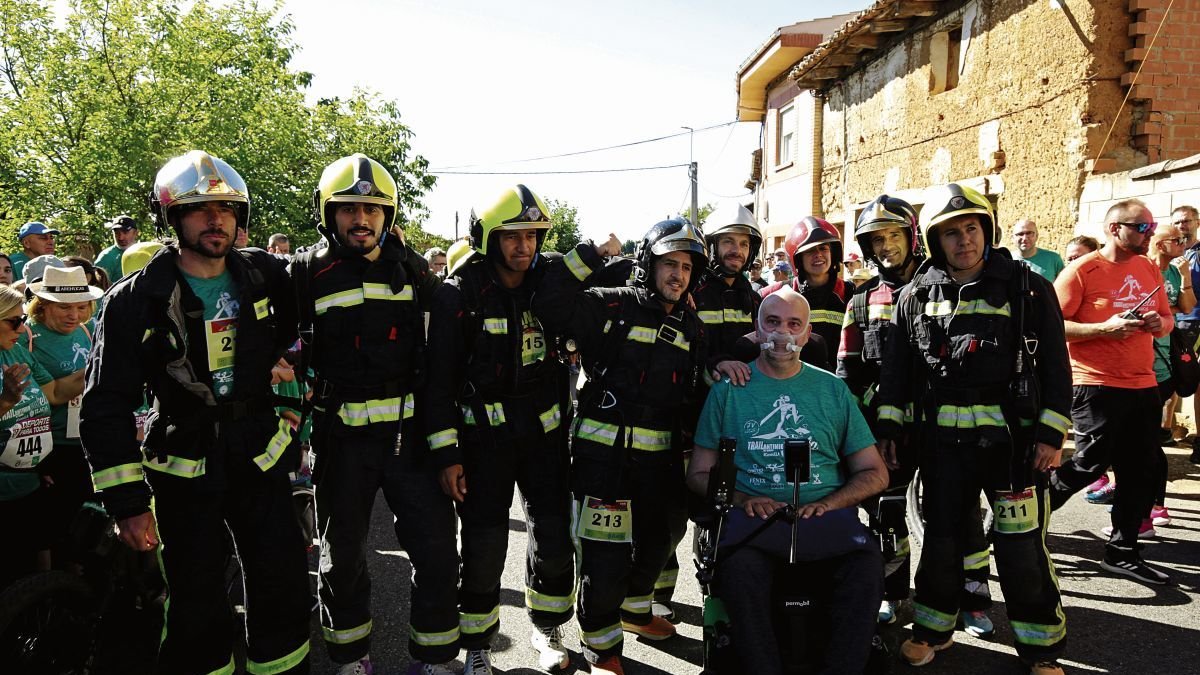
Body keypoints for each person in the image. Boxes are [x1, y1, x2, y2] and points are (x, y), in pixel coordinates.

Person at [80, 150, 311, 675]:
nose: (216, 221)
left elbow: (307, 339)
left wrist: (293, 409)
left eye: (227, 210)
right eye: (200, 210)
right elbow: (105, 405)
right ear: (173, 218)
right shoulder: (135, 299)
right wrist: (127, 504)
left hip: (260, 454)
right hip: (184, 464)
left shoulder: (266, 277)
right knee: (196, 601)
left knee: (281, 586)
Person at [874, 183, 1071, 674]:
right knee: (941, 541)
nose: (964, 240)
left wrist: (1051, 435)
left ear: (987, 230)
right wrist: (891, 432)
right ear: (935, 241)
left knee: (1020, 548)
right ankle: (932, 631)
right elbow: (898, 372)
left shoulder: (1027, 285)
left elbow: (1055, 365)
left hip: (1014, 447)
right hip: (942, 447)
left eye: (972, 228)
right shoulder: (916, 294)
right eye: (951, 233)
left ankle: (1041, 649)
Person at [292, 153, 458, 675]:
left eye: (372, 208)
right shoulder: (304, 273)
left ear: (388, 216)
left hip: (409, 443)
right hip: (341, 443)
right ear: (327, 213)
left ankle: (433, 657)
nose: (360, 219)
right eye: (348, 208)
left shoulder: (410, 271)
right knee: (342, 560)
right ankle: (350, 657)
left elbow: (461, 313)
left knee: (435, 552)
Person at [532, 219, 709, 675]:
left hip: (660, 463)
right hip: (603, 459)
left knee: (663, 537)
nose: (678, 275)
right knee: (605, 562)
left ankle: (634, 611)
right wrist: (590, 254)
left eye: (687, 267)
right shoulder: (611, 305)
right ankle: (602, 651)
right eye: (670, 263)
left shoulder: (689, 322)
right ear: (648, 264)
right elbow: (550, 302)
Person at [687, 287, 887, 675]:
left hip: (826, 518)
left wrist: (833, 502)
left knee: (865, 571)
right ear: (757, 330)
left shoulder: (832, 390)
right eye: (773, 322)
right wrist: (744, 499)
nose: (783, 333)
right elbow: (697, 473)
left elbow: (875, 472)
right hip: (753, 523)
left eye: (794, 324)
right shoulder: (728, 392)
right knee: (741, 574)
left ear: (808, 332)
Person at [425, 185, 575, 675]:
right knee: (485, 548)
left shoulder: (549, 281)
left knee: (553, 536)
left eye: (532, 236)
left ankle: (547, 629)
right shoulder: (458, 292)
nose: (524, 247)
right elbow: (438, 380)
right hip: (483, 443)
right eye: (512, 236)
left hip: (544, 440)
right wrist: (448, 454)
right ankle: (479, 646)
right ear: (487, 238)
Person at [837, 194, 995, 633]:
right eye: (876, 239)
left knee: (960, 513)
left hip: (944, 424)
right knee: (886, 514)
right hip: (887, 432)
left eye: (893, 235)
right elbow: (848, 371)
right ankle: (892, 594)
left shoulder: (947, 285)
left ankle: (974, 598)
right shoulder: (861, 301)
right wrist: (862, 431)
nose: (886, 246)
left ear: (912, 236)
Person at [1049, 198, 1174, 585]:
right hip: (1095, 383)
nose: (1148, 234)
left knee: (1141, 469)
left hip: (1143, 383)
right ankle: (1020, 523)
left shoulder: (1147, 268)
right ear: (1114, 228)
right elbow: (1051, 327)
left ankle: (1122, 550)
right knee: (1089, 464)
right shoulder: (1081, 271)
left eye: (1151, 227)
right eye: (1141, 227)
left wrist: (1157, 323)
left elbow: (1168, 320)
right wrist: (1103, 329)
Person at [26, 266, 102, 562]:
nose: (74, 315)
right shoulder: (28, 338)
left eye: (81, 307)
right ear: (42, 305)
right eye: (65, 308)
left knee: (88, 523)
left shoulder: (89, 328)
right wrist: (96, 370)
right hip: (50, 446)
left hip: (88, 439)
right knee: (52, 526)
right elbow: (52, 393)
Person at [0, 284, 66, 584]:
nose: (22, 327)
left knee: (37, 574)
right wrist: (6, 402)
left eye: (23, 319)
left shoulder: (16, 351)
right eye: (14, 321)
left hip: (31, 482)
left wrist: (98, 366)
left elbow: (54, 392)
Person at [758, 217, 853, 366]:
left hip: (835, 382)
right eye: (809, 250)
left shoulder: (851, 294)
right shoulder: (774, 295)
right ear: (798, 259)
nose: (818, 255)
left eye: (823, 248)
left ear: (833, 253)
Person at [1169, 205, 1200, 463]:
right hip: (1172, 325)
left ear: (1197, 223)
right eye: (1178, 222)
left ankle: (1199, 441)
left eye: (1187, 221)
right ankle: (1164, 431)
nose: (1183, 226)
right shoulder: (1167, 253)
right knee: (1168, 382)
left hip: (1196, 324)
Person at [94, 215, 140, 284]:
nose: (121, 237)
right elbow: (99, 287)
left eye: (125, 232)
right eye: (117, 233)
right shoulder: (107, 257)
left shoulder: (145, 252)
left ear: (135, 233)